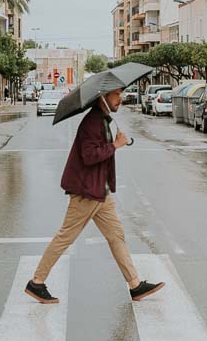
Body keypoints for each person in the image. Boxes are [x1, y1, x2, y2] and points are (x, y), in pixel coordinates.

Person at [25, 87, 165, 304]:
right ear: (103, 97)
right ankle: (37, 282)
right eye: (116, 94)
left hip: (100, 191)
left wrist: (114, 144)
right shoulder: (92, 122)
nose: (120, 98)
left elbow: (100, 152)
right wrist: (115, 145)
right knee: (65, 237)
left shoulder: (103, 119)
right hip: (87, 192)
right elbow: (89, 156)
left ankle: (135, 285)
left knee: (116, 236)